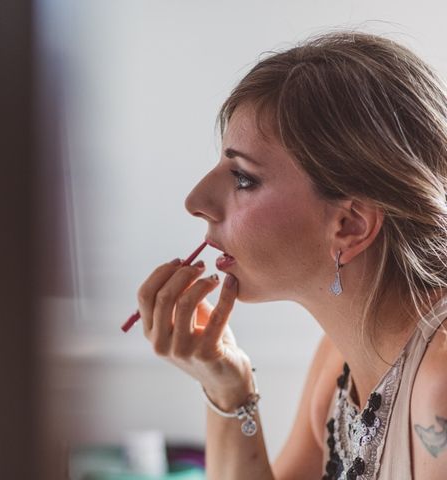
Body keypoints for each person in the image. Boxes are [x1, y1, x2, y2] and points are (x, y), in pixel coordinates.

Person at [136, 31, 447, 479]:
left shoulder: (440, 382)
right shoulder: (337, 357)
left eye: (243, 178)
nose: (196, 199)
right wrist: (228, 387)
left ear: (350, 225)